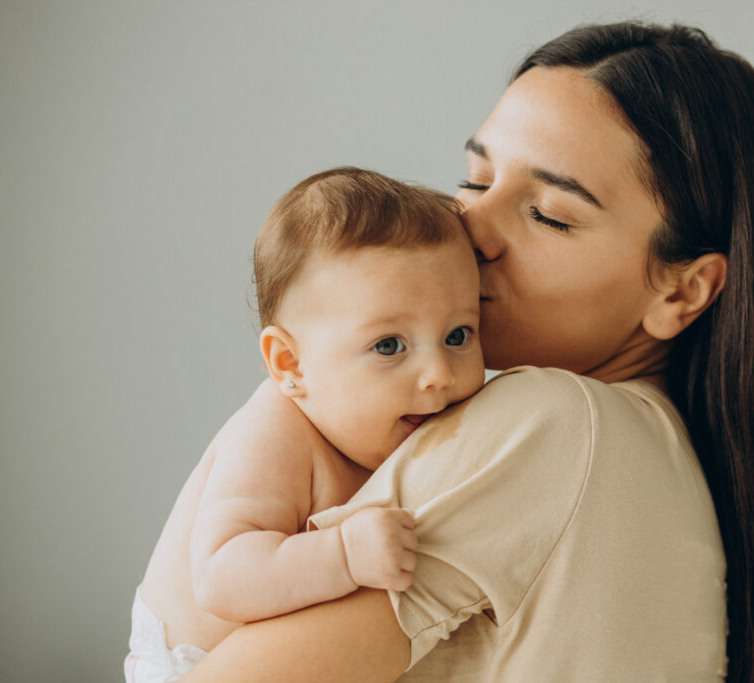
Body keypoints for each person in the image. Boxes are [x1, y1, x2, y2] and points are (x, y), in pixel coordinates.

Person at [181, 21, 754, 683]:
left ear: (682, 290)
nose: (470, 228)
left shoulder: (556, 425)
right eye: (476, 180)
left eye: (549, 214)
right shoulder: (661, 459)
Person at [127, 167, 486, 682]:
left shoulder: (399, 426)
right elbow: (221, 577)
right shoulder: (275, 433)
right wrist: (343, 554)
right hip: (192, 664)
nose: (439, 374)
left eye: (458, 335)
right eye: (389, 345)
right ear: (290, 364)